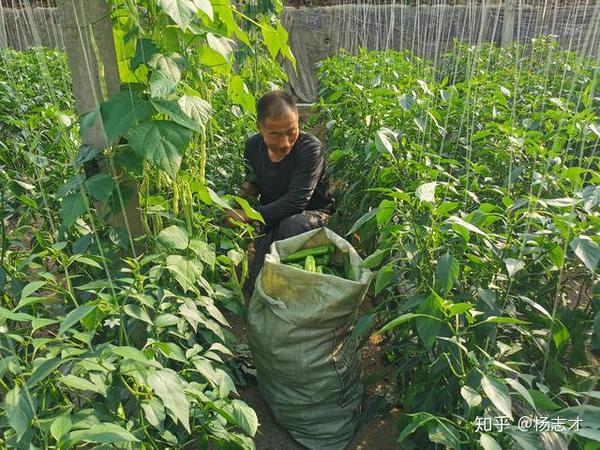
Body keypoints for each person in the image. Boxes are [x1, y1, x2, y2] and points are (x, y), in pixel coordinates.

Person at [225, 91, 335, 294]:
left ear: (298, 122)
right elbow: (252, 185)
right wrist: (236, 209)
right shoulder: (252, 147)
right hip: (273, 216)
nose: (285, 142)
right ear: (259, 128)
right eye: (275, 134)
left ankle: (302, 288)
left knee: (291, 226)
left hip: (313, 217)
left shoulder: (310, 149)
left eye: (291, 131)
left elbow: (296, 202)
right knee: (258, 281)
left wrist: (248, 215)